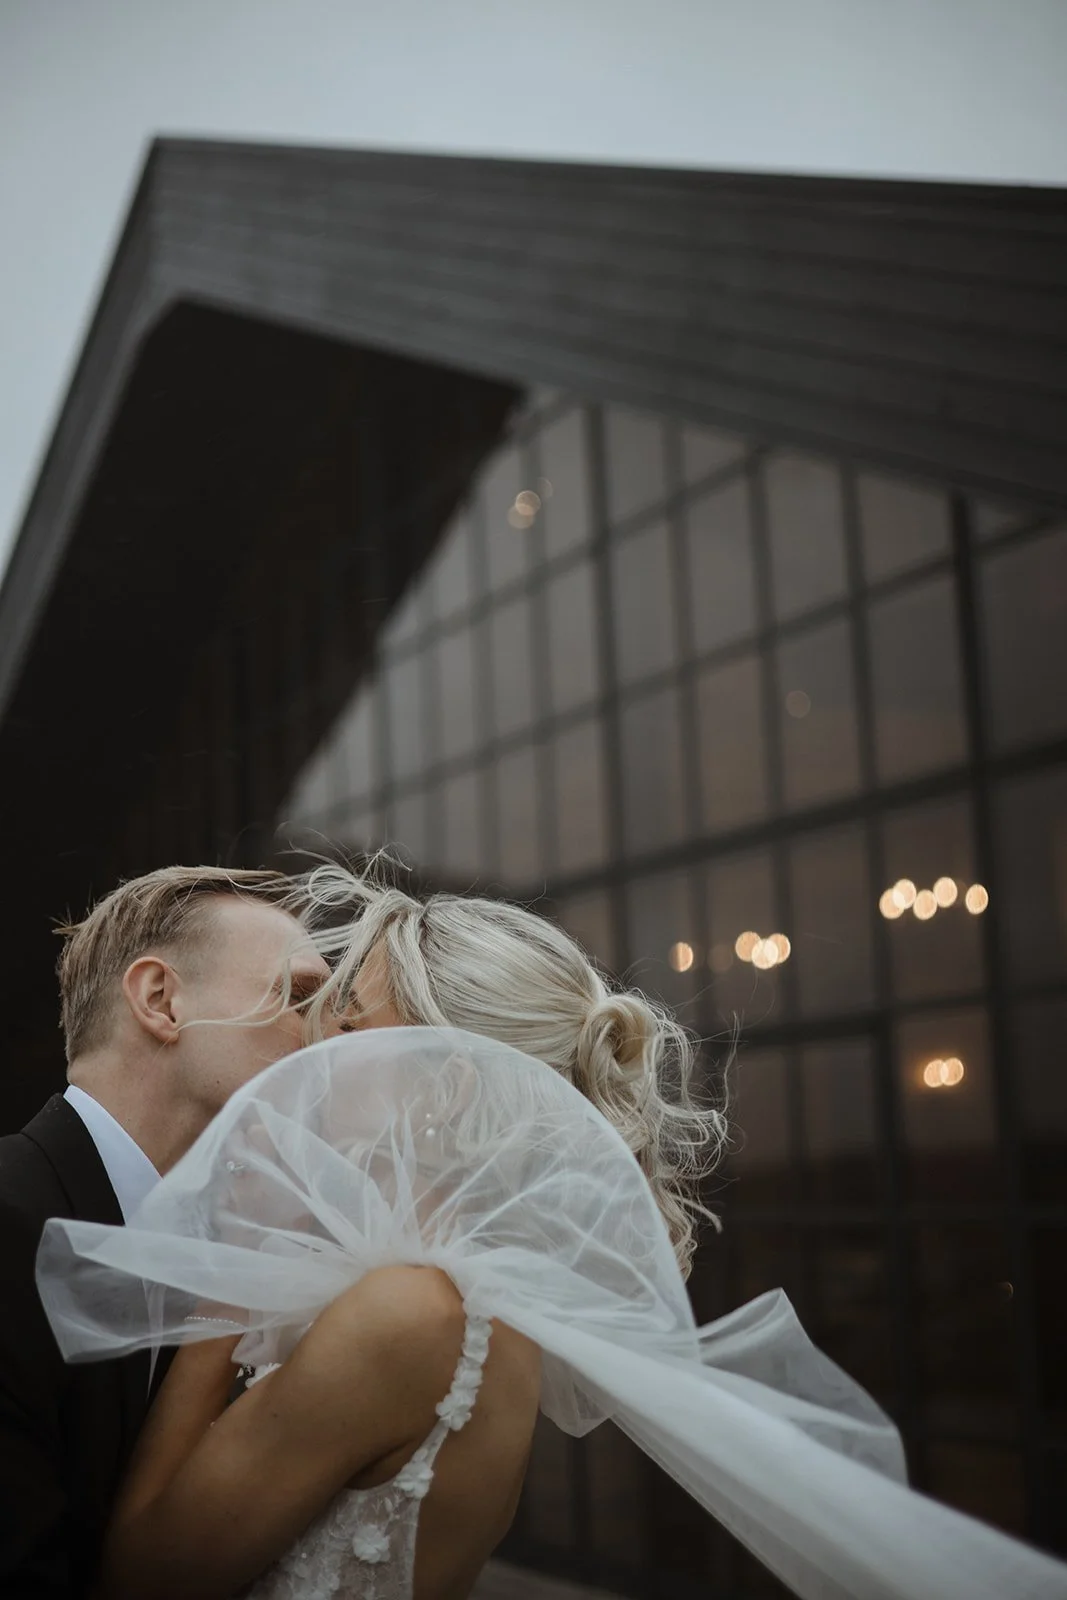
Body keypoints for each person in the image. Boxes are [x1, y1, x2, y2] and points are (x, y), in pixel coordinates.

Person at [36, 863, 1067, 1600]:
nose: (313, 1042)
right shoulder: (460, 1301)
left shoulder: (409, 1312)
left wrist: (232, 1272)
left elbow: (142, 1572)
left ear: (442, 1084)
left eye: (346, 1016)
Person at [0, 865, 331, 1597]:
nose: (331, 1040)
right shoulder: (6, 1222)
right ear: (161, 1001)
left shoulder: (239, 1247)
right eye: (299, 997)